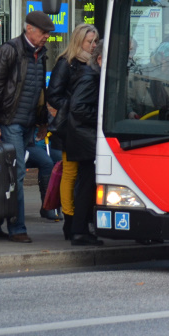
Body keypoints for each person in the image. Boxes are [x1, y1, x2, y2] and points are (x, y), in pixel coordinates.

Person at [0, 10, 55, 243]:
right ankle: (17, 228)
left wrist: (42, 122)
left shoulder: (40, 54)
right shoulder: (10, 51)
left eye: (49, 34)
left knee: (15, 174)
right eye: (44, 33)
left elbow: (39, 90)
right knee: (17, 175)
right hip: (10, 123)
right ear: (29, 29)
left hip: (27, 125)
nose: (47, 37)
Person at [46, 22, 98, 240]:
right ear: (79, 41)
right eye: (90, 41)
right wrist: (72, 106)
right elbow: (53, 95)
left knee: (80, 174)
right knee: (69, 173)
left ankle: (78, 220)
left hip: (82, 126)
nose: (94, 45)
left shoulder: (92, 64)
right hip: (69, 126)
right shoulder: (66, 63)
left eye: (96, 41)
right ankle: (69, 220)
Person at [66, 38, 105, 246]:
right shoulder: (90, 78)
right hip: (84, 137)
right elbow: (78, 108)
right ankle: (79, 230)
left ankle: (79, 228)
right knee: (86, 184)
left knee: (86, 184)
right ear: (99, 59)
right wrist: (102, 118)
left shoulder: (89, 74)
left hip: (82, 136)